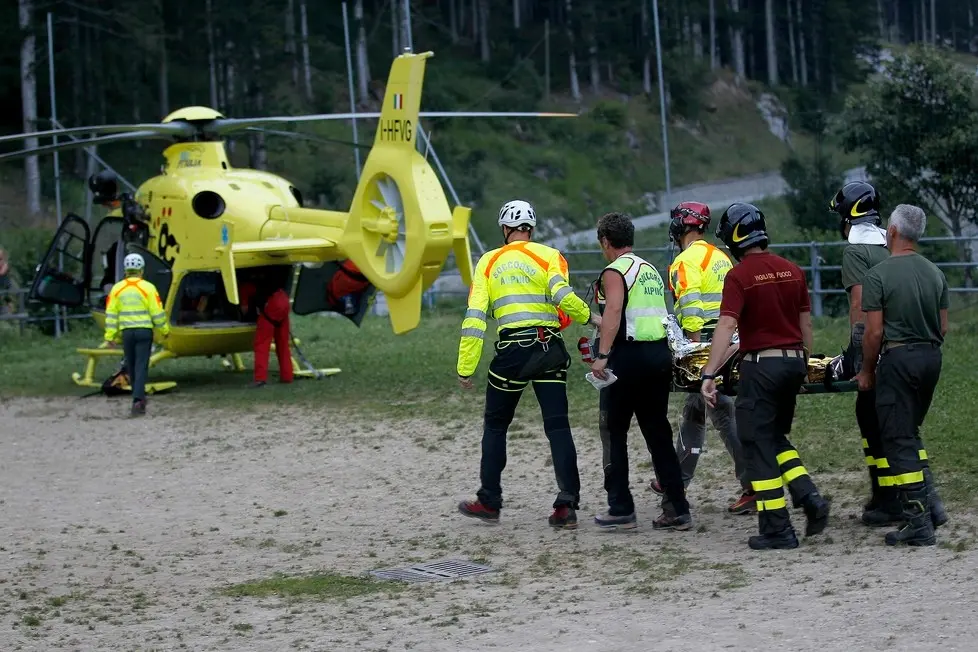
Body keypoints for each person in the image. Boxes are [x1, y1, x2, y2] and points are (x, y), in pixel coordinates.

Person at [456, 199, 600, 530]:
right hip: (549, 348)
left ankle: (489, 502)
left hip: (512, 353)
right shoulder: (550, 256)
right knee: (558, 427)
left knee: (495, 426)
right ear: (530, 230)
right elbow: (562, 297)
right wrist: (591, 318)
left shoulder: (488, 262)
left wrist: (466, 366)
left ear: (505, 229)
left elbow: (475, 316)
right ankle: (566, 505)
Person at [700, 203, 830, 550]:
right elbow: (805, 324)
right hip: (793, 364)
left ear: (734, 238)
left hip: (761, 365)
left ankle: (777, 529)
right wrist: (802, 364)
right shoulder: (793, 270)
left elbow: (727, 325)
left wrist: (709, 373)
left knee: (755, 441)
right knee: (773, 436)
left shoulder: (739, 276)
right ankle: (809, 498)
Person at [648, 201, 755, 516]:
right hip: (728, 340)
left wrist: (696, 354)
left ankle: (753, 485)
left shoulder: (684, 261)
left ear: (681, 225)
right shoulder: (720, 257)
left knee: (720, 413)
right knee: (698, 410)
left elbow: (692, 308)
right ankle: (676, 478)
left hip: (707, 343)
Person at [589, 212, 691, 530]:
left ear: (606, 241)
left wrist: (602, 355)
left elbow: (616, 311)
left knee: (613, 431)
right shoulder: (648, 269)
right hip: (659, 355)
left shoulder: (614, 271)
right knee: (658, 433)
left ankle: (620, 508)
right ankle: (677, 508)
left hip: (627, 357)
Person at [855, 204, 949, 547]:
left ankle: (918, 522)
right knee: (908, 431)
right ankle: (931, 508)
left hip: (899, 359)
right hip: (930, 358)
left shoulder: (879, 274)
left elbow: (874, 333)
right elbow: (942, 327)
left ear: (891, 232)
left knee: (897, 439)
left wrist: (866, 371)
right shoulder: (935, 272)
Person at [102, 253, 170, 416]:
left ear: (126, 270)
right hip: (144, 332)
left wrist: (110, 336)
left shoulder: (117, 289)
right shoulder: (148, 288)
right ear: (141, 270)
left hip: (127, 333)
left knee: (131, 366)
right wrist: (164, 330)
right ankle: (138, 400)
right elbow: (157, 312)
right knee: (141, 366)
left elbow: (111, 315)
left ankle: (137, 397)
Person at [240, 273, 294, 388]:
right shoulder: (268, 277)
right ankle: (287, 376)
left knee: (261, 345)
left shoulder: (245, 287)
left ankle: (260, 379)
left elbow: (244, 309)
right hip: (283, 299)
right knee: (283, 344)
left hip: (271, 307)